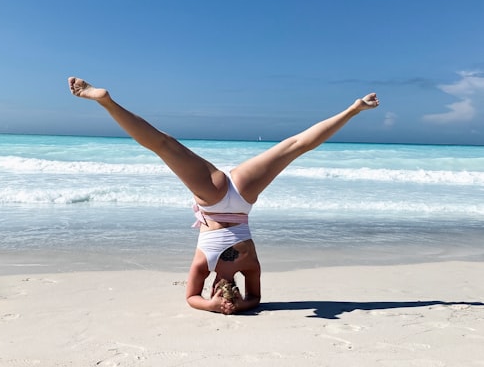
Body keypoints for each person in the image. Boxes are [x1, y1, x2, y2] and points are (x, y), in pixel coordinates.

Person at [68, 77, 379, 315]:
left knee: (295, 145)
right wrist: (211, 306)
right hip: (214, 200)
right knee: (162, 145)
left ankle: (354, 109)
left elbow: (255, 299)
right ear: (215, 286)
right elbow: (191, 298)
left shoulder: (249, 266)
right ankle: (106, 102)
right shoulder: (204, 265)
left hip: (243, 198)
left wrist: (239, 305)